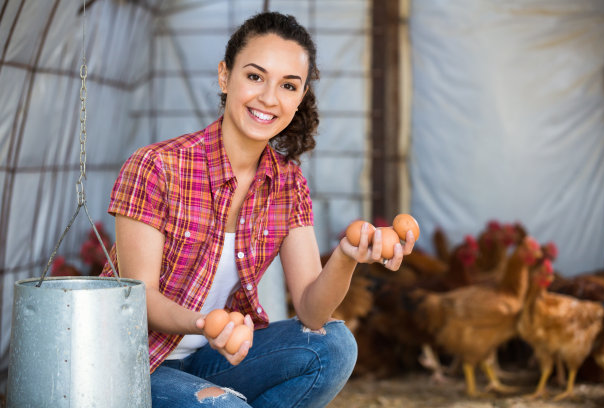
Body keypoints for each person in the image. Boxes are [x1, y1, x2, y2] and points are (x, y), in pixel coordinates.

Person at [101, 11, 416, 408]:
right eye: (255, 76)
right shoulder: (157, 166)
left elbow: (311, 311)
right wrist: (206, 324)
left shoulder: (287, 183)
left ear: (300, 97)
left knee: (334, 346)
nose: (269, 98)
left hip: (214, 360)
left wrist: (346, 256)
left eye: (288, 85)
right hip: (136, 364)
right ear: (224, 76)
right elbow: (139, 298)